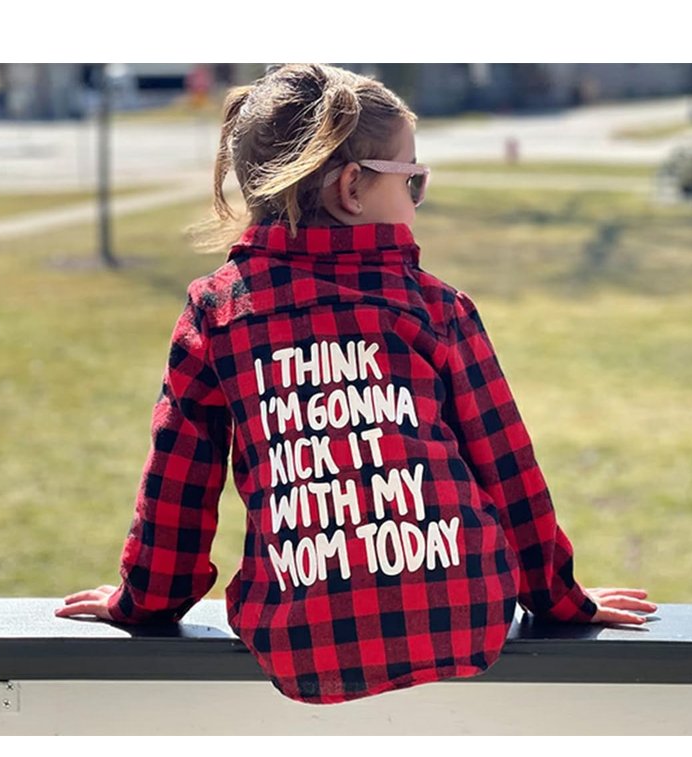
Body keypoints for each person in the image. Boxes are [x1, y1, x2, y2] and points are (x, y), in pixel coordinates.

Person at [54, 63, 657, 705]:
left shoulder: (220, 310)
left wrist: (144, 601)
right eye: (412, 180)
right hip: (462, 619)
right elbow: (509, 474)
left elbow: (178, 485)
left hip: (300, 642)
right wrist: (561, 601)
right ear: (351, 188)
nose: (418, 198)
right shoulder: (436, 307)